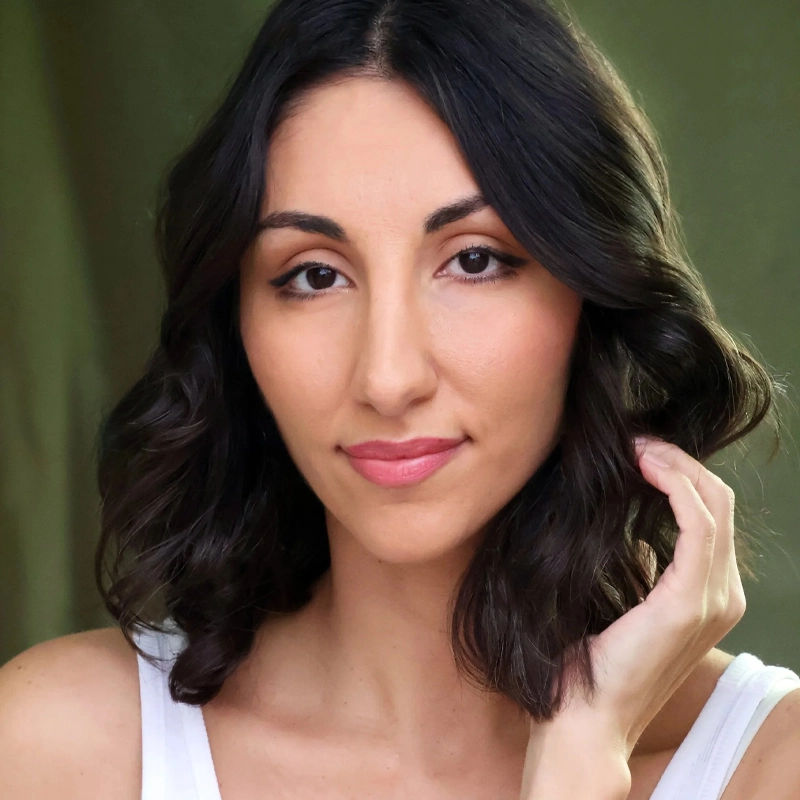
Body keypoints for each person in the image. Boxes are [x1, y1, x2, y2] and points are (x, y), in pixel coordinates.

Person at [1, 0, 798, 797]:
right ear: (237, 324)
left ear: (591, 293)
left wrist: (584, 750)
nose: (387, 378)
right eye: (315, 275)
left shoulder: (770, 764)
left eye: (476, 260)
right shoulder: (58, 750)